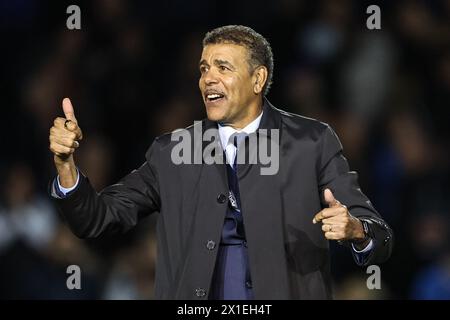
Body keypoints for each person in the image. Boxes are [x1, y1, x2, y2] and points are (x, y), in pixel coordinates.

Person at [48, 25, 393, 299]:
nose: (207, 79)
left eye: (222, 68)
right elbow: (96, 220)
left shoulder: (312, 142)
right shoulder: (172, 152)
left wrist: (355, 230)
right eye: (203, 69)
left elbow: (379, 237)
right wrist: (66, 166)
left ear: (258, 79)